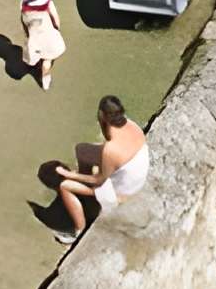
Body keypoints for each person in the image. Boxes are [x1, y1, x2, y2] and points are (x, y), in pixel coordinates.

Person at [45, 96, 150, 242]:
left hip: (119, 193)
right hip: (135, 176)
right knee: (82, 150)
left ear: (102, 115)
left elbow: (99, 180)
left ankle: (78, 231)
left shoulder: (111, 149)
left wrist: (68, 174)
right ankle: (85, 195)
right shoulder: (132, 125)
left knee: (65, 186)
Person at [16, 0, 65, 92]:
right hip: (49, 38)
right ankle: (45, 79)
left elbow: (25, 27)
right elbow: (56, 20)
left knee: (36, 52)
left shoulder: (24, 10)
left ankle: (36, 60)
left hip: (34, 40)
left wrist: (28, 37)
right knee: (47, 61)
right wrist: (57, 29)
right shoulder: (49, 5)